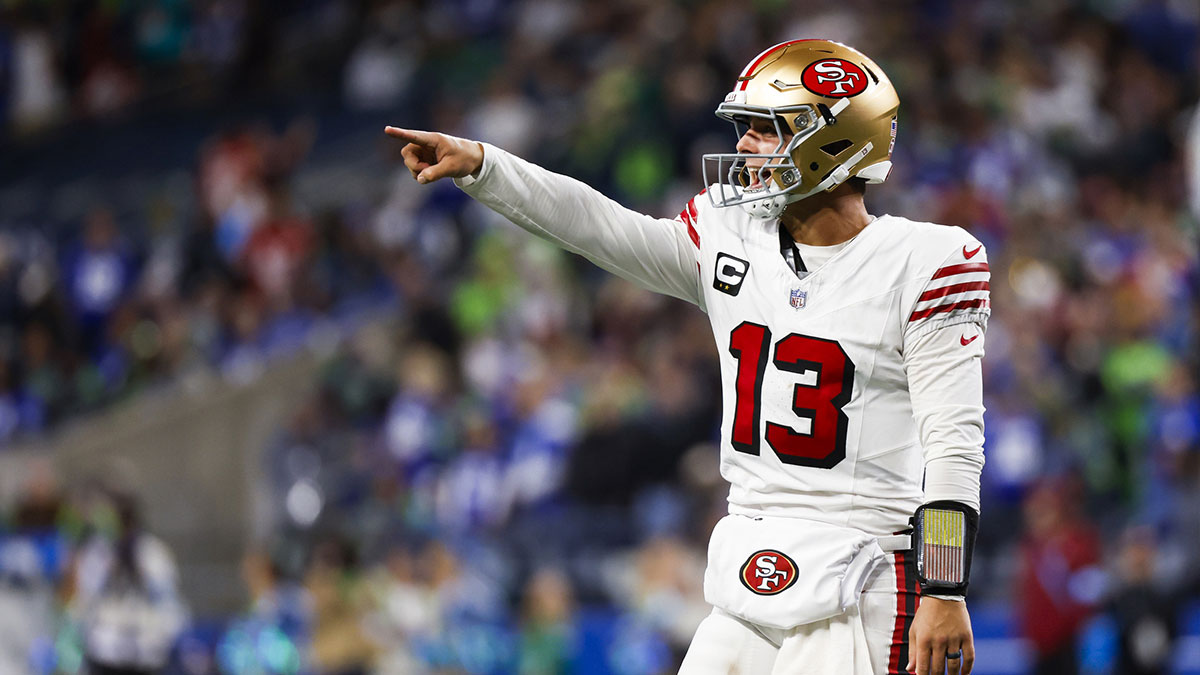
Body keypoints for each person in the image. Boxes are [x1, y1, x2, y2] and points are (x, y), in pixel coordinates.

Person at [387, 39, 987, 675]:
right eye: (748, 128)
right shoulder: (734, 237)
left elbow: (953, 442)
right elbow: (599, 227)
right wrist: (485, 165)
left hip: (862, 578)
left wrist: (944, 588)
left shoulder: (927, 262)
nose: (748, 146)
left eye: (767, 128)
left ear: (834, 139)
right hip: (747, 568)